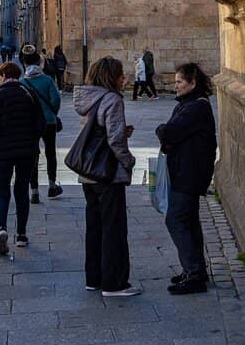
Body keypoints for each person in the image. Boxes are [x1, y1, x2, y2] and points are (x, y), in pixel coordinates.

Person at [73, 57, 140, 297]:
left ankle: (95, 278)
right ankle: (115, 283)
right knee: (114, 228)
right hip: (108, 174)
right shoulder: (112, 99)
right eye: (121, 74)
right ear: (111, 76)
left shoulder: (88, 98)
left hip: (89, 174)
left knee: (95, 227)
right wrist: (129, 160)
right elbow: (114, 140)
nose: (124, 79)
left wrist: (121, 131)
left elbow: (97, 132)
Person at [155, 63, 218, 295]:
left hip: (189, 174)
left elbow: (168, 133)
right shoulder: (189, 105)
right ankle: (196, 270)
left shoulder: (196, 108)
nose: (176, 86)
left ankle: (194, 272)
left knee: (176, 220)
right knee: (189, 222)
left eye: (180, 82)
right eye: (175, 82)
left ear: (193, 83)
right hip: (186, 172)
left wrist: (163, 130)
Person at [0, 62, 44, 254]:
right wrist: (32, 141)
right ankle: (21, 234)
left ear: (2, 76)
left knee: (1, 193)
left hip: (0, 153)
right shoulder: (29, 94)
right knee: (21, 190)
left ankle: (1, 228)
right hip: (26, 152)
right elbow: (40, 123)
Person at [20, 45, 62, 202]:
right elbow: (55, 100)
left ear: (25, 65)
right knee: (50, 153)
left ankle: (34, 191)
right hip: (49, 121)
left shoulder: (22, 82)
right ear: (39, 63)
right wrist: (51, 113)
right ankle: (52, 185)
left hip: (31, 123)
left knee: (33, 155)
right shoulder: (47, 80)